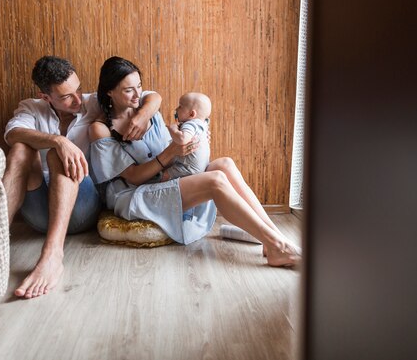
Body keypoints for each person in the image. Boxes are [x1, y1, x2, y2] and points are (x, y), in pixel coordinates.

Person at [89, 56, 301, 267]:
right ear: (109, 91)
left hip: (168, 174)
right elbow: (134, 177)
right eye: (128, 90)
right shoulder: (101, 129)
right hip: (134, 193)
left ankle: (274, 236)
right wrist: (172, 151)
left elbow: (155, 97)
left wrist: (184, 137)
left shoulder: (146, 107)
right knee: (215, 180)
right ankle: (276, 247)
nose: (137, 94)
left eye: (139, 86)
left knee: (224, 164)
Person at [2, 55, 162, 299]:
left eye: (77, 89)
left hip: (81, 206)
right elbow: (13, 133)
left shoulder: (94, 102)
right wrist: (59, 140)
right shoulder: (31, 108)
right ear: (46, 97)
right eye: (66, 97)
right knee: (21, 148)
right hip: (37, 211)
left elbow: (152, 96)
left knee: (58, 157)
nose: (77, 99)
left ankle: (52, 256)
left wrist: (141, 115)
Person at [161, 92, 211, 181]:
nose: (176, 109)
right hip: (202, 166)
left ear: (192, 114)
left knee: (165, 175)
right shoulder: (203, 123)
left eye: (180, 106)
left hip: (189, 168)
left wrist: (172, 129)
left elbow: (182, 139)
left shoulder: (191, 124)